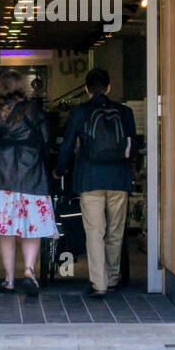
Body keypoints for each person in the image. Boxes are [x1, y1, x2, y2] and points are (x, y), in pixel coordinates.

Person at [55, 68, 136, 298]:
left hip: (90, 179)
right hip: (119, 178)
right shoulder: (125, 112)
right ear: (109, 87)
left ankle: (98, 284)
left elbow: (68, 145)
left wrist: (60, 170)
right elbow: (133, 148)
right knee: (115, 232)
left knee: (94, 232)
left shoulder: (80, 112)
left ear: (87, 89)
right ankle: (112, 278)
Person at [0, 70, 56, 296]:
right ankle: (29, 271)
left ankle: (9, 279)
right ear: (23, 86)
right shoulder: (35, 109)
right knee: (32, 229)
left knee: (6, 231)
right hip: (33, 177)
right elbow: (47, 142)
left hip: (2, 178)